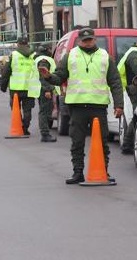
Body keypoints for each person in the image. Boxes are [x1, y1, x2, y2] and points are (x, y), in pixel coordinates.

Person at [40, 27, 124, 185]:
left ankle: (102, 170)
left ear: (95, 39)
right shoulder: (71, 55)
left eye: (90, 40)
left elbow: (115, 82)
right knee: (77, 141)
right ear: (79, 41)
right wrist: (49, 77)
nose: (87, 43)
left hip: (98, 106)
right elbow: (60, 76)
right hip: (77, 105)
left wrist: (119, 105)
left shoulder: (105, 56)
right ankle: (77, 172)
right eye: (84, 41)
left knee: (101, 141)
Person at [0, 36, 36, 135]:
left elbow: (6, 72)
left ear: (18, 44)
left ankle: (19, 125)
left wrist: (3, 86)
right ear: (27, 44)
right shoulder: (33, 55)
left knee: (16, 108)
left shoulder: (13, 55)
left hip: (15, 88)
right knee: (28, 110)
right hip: (29, 88)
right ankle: (25, 127)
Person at [31, 45, 58, 143]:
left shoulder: (39, 59)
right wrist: (47, 90)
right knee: (45, 111)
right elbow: (43, 75)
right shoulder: (44, 60)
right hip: (44, 89)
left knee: (44, 110)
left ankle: (45, 133)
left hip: (41, 88)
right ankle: (45, 134)